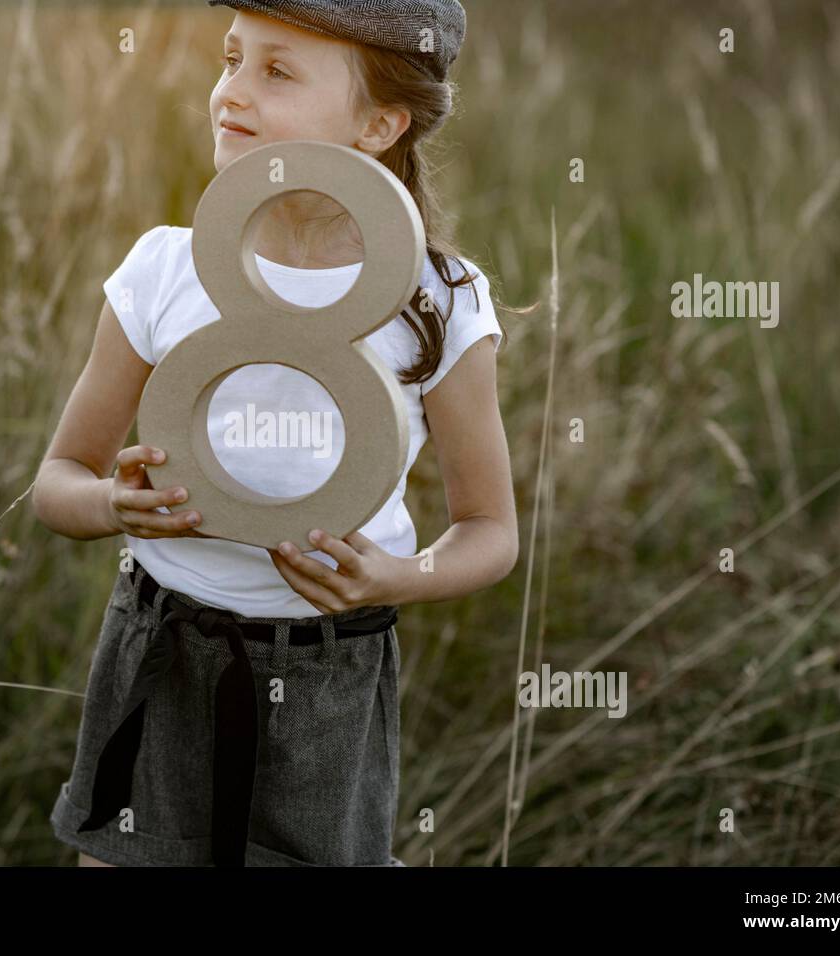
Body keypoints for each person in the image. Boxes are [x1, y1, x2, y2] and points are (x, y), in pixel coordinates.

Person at [32, 0, 518, 867]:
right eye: (229, 59)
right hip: (159, 650)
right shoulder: (163, 270)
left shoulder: (442, 301)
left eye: (277, 70)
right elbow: (57, 481)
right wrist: (112, 502)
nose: (232, 91)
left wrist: (399, 576)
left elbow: (491, 531)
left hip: (328, 673)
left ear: (379, 124)